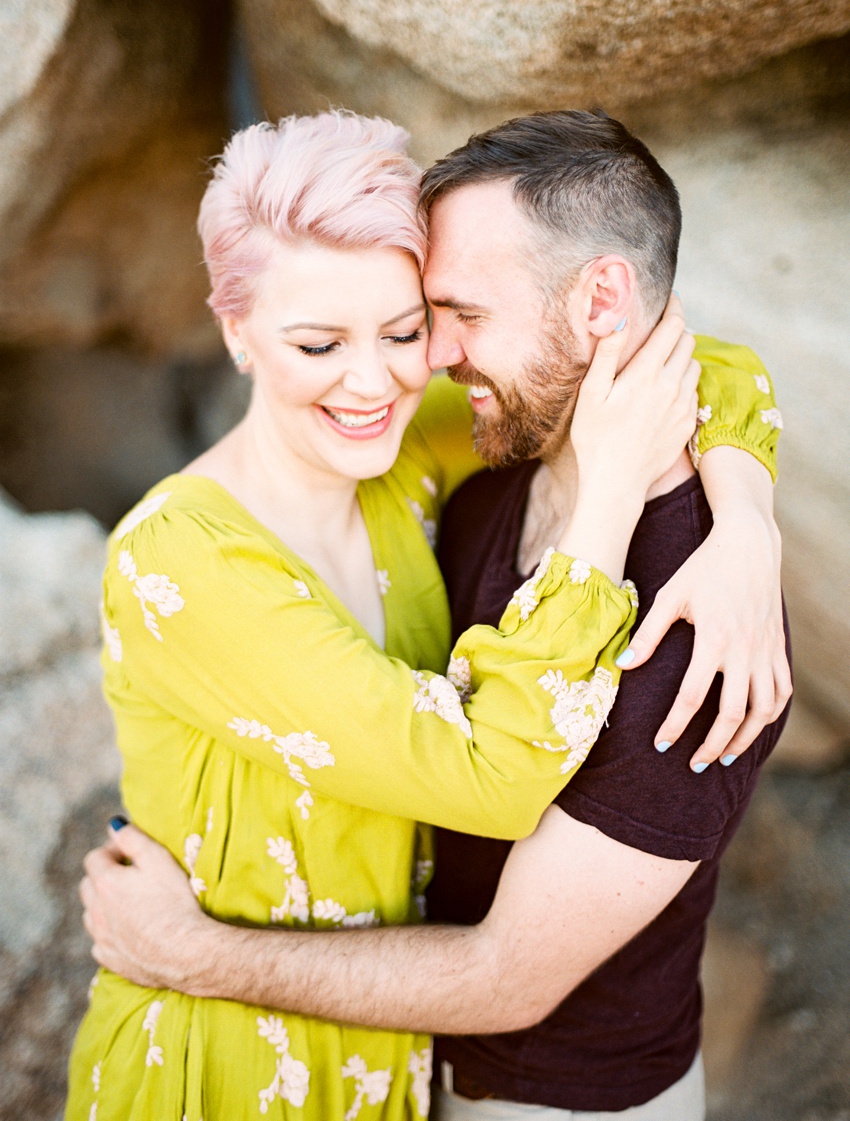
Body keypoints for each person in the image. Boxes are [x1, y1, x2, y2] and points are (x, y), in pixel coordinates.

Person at [74, 111, 789, 1121]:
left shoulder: (405, 455)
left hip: (419, 1060)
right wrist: (620, 491)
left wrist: (749, 528)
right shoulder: (192, 559)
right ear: (233, 329)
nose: (381, 378)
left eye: (408, 328)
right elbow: (489, 779)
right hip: (236, 1060)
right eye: (317, 341)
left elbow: (693, 358)